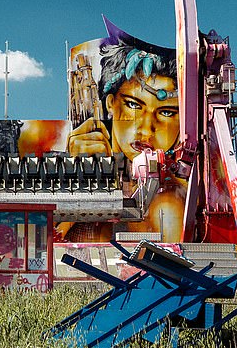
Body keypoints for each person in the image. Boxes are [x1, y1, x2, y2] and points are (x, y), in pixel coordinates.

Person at [64, 40, 185, 240]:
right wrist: (75, 174)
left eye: (166, 112)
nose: (146, 130)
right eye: (134, 105)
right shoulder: (81, 148)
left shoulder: (176, 201)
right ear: (111, 104)